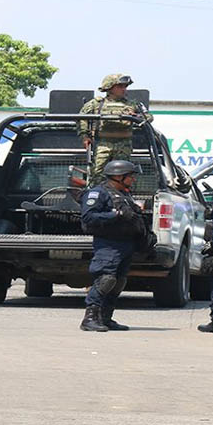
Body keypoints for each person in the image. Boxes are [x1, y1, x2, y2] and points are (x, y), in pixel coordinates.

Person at [79, 160, 145, 332]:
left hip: (126, 244)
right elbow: (89, 217)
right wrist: (115, 215)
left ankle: (106, 318)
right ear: (118, 176)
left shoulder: (123, 194)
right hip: (109, 244)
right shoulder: (98, 193)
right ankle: (90, 318)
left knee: (119, 281)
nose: (133, 179)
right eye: (130, 176)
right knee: (105, 279)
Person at [79, 74, 153, 185]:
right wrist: (85, 136)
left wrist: (136, 117)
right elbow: (81, 117)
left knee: (123, 174)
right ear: (109, 87)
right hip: (103, 144)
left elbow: (149, 117)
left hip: (124, 145)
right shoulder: (97, 103)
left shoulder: (132, 104)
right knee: (97, 173)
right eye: (120, 86)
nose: (124, 89)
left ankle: (121, 197)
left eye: (125, 86)